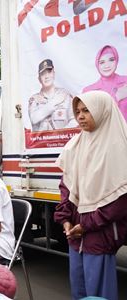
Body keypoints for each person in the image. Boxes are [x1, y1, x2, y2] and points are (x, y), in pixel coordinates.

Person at [54, 91, 127, 300]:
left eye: (87, 110)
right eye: (77, 111)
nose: (81, 116)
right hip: (75, 233)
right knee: (79, 289)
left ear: (102, 111)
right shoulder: (76, 144)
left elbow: (120, 201)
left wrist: (87, 225)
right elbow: (66, 186)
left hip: (100, 233)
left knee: (98, 292)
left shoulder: (118, 147)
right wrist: (66, 219)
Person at [28, 59, 77, 131]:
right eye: (43, 74)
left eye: (49, 72)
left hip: (63, 140)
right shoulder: (34, 99)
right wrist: (54, 103)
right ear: (39, 79)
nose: (46, 76)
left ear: (54, 73)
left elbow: (74, 120)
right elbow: (34, 119)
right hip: (41, 141)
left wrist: (60, 134)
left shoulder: (65, 95)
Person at [83, 45, 127, 121]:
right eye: (102, 62)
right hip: (104, 132)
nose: (107, 65)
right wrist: (117, 97)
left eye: (111, 60)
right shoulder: (88, 91)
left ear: (116, 60)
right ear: (97, 64)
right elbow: (92, 120)